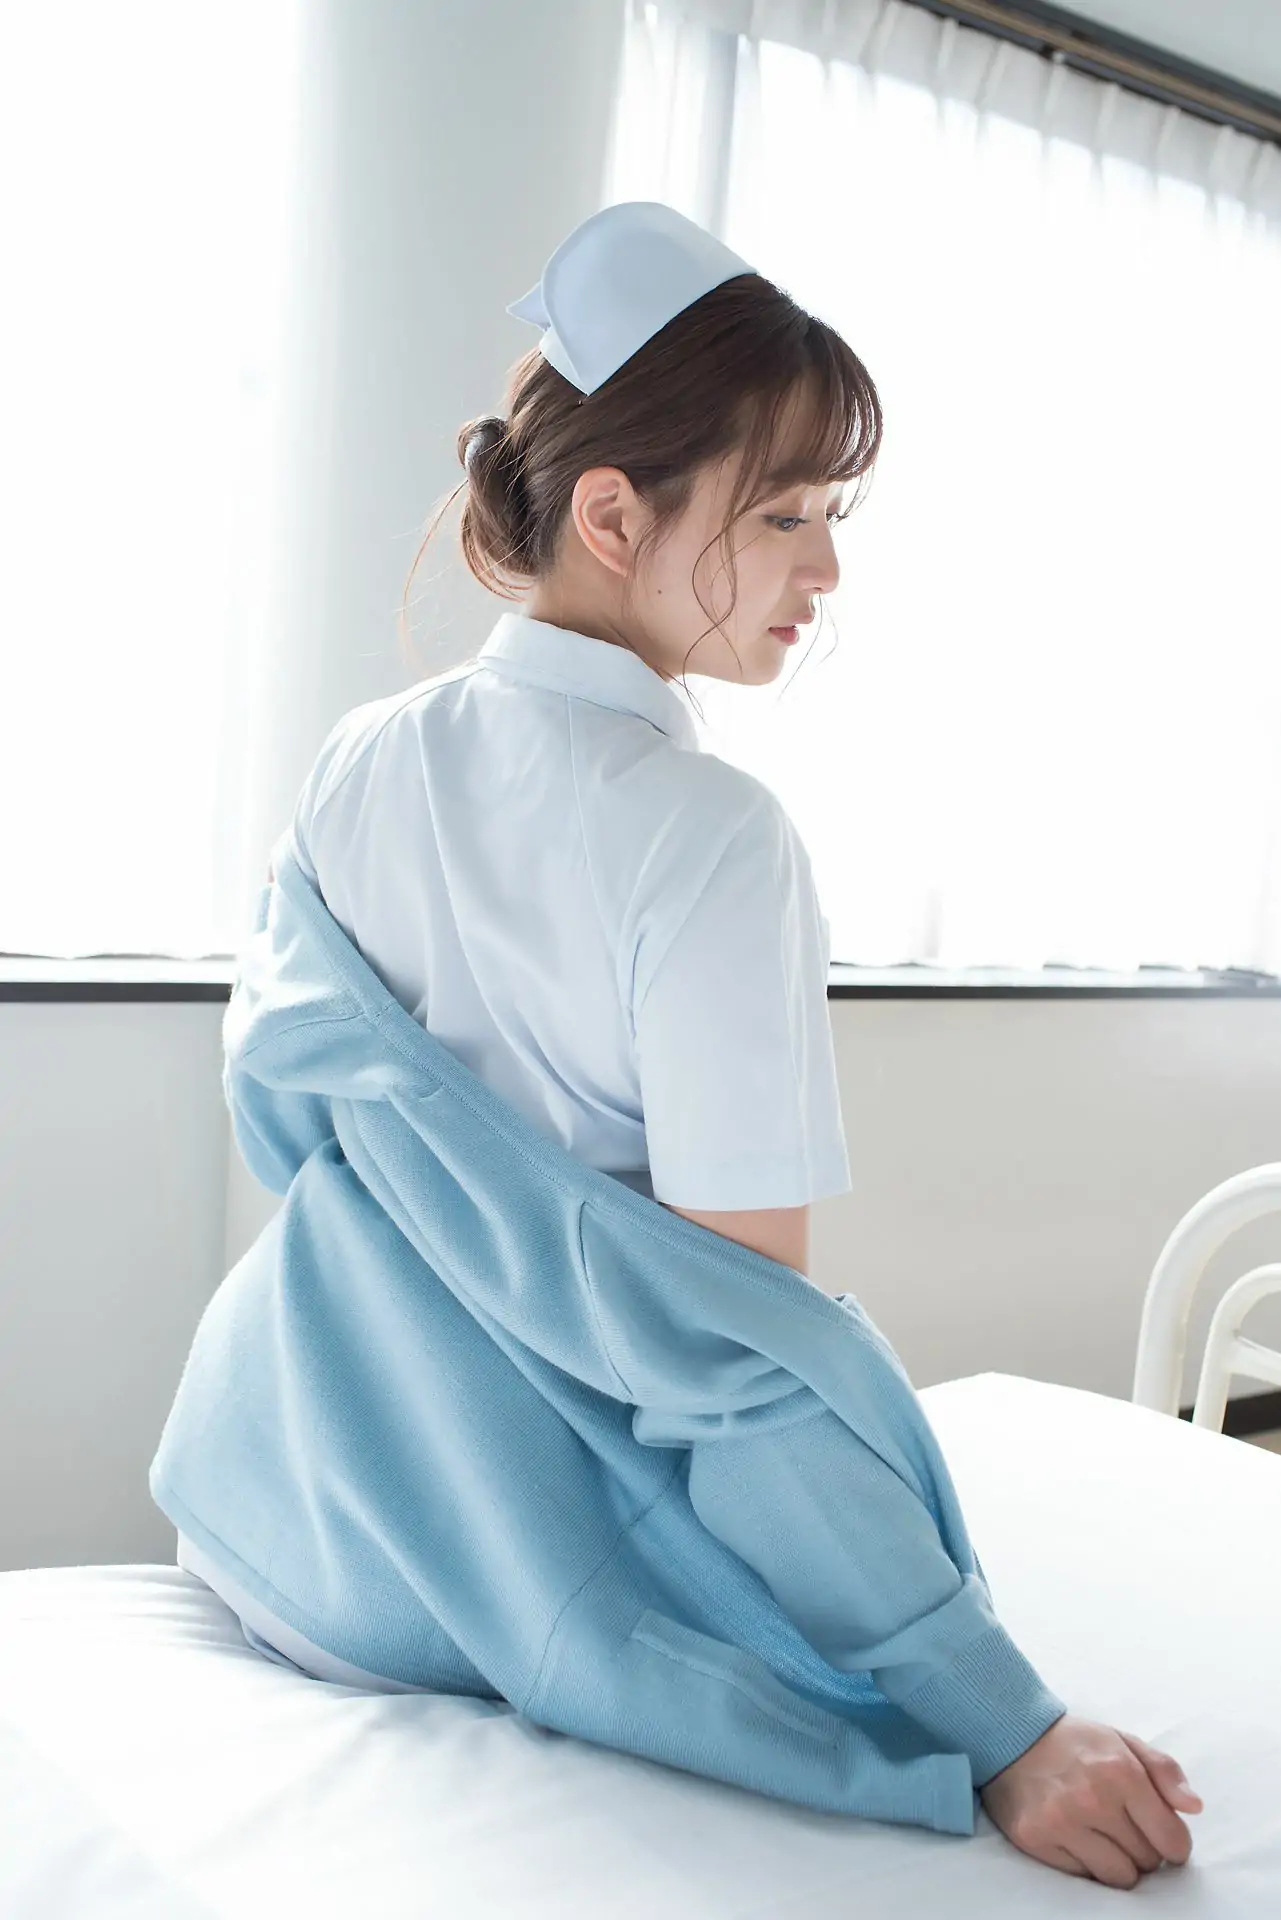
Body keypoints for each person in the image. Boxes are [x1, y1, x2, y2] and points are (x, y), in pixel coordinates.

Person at [231, 200, 1200, 1885]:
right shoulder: (707, 840)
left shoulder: (360, 758)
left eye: (831, 516)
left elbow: (289, 1129)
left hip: (279, 1509)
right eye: (786, 513)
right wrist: (1010, 1728)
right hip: (505, 1582)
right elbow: (740, 1369)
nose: (826, 569)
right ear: (614, 513)